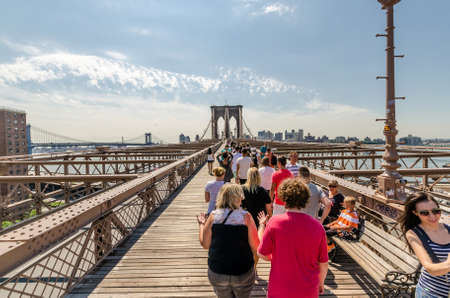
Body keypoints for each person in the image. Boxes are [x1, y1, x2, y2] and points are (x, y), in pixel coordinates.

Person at [257, 178, 329, 297]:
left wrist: (278, 258)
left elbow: (262, 253)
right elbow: (324, 263)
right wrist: (320, 283)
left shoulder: (274, 222)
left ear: (283, 198)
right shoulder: (317, 227)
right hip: (308, 289)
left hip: (280, 288)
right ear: (305, 199)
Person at [197, 184, 259, 298]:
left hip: (218, 271)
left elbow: (205, 244)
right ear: (237, 198)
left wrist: (201, 224)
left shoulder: (213, 216)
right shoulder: (246, 217)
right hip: (242, 271)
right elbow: (256, 246)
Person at [399, 192, 449, 297]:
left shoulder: (448, 228)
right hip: (430, 293)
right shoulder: (414, 234)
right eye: (425, 213)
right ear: (415, 213)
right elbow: (430, 269)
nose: (432, 216)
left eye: (436, 211)